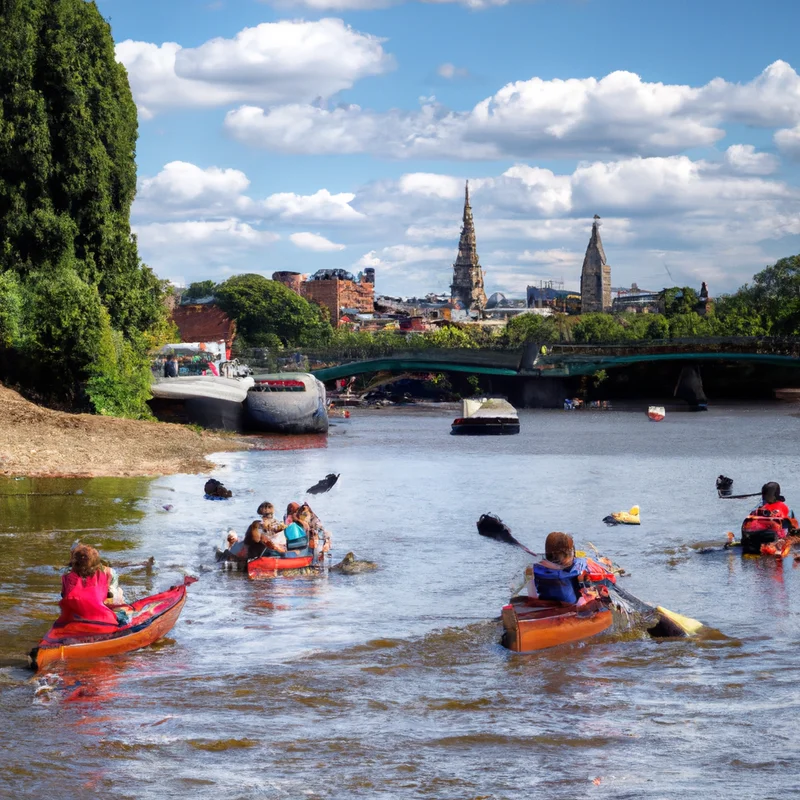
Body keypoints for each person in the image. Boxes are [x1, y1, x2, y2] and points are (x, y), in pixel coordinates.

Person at [55, 545, 126, 627]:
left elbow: (64, 596)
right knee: (119, 594)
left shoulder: (66, 576)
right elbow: (113, 600)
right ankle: (123, 625)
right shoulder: (109, 573)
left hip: (74, 619)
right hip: (104, 620)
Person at [527, 532, 590, 604]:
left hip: (545, 603)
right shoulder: (575, 569)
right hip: (570, 605)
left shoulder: (536, 569)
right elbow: (584, 563)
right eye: (571, 551)